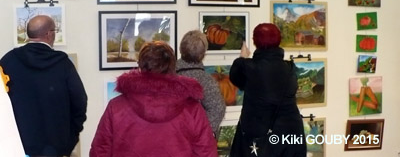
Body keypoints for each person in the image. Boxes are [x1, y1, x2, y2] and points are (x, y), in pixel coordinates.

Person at [90, 41, 218, 157]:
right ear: (173, 67)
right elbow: (206, 153)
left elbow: (99, 152)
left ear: (140, 66)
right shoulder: (192, 109)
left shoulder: (116, 107)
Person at [0, 15, 88, 157]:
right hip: (55, 148)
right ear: (49, 34)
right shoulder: (63, 63)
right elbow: (80, 102)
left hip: (18, 146)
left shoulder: (8, 60)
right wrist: (69, 140)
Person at [229, 23, 306, 157]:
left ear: (254, 42)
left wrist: (242, 58)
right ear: (279, 41)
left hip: (260, 140)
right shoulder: (290, 68)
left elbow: (236, 79)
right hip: (291, 136)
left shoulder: (247, 67)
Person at [176, 30, 226, 136]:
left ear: (181, 49)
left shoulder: (167, 75)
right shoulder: (206, 81)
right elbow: (218, 109)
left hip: (170, 139)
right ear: (202, 54)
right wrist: (198, 132)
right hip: (196, 142)